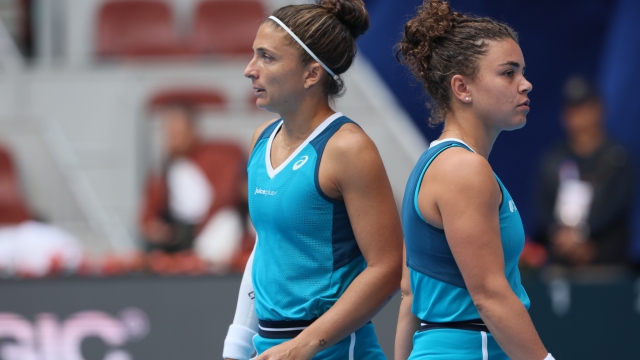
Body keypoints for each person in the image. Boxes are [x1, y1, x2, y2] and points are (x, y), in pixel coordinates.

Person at [222, 1, 403, 359]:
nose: (249, 70)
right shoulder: (262, 139)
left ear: (311, 74)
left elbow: (387, 267)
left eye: (267, 57)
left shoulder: (349, 148)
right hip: (270, 348)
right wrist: (236, 346)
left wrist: (303, 346)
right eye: (253, 55)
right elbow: (265, 249)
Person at [394, 1, 553, 359]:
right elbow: (489, 295)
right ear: (462, 88)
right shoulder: (464, 170)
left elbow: (409, 296)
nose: (525, 84)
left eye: (522, 71)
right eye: (508, 73)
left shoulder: (433, 164)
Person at [533, 75, 636, 268]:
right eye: (572, 110)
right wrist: (564, 240)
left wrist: (583, 237)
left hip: (607, 265)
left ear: (600, 110)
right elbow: (543, 214)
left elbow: (616, 209)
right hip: (561, 264)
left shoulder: (618, 158)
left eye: (585, 109)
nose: (579, 118)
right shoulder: (553, 159)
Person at [139, 103, 249, 267]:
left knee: (226, 222)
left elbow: (229, 195)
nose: (173, 139)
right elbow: (150, 212)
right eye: (169, 134)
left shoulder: (219, 157)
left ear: (192, 130)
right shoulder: (164, 168)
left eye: (178, 133)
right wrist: (155, 228)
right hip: (179, 233)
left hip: (214, 226)